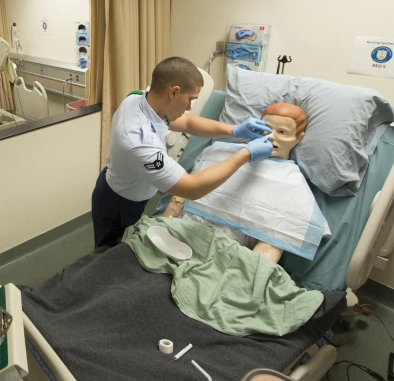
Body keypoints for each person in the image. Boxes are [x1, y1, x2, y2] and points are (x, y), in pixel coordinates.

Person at [91, 56, 273, 248]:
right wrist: (246, 153)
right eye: (190, 99)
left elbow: (186, 122)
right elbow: (193, 188)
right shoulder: (140, 141)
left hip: (128, 188)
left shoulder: (141, 99)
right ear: (174, 92)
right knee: (108, 255)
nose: (189, 107)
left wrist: (234, 130)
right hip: (120, 203)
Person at [163, 102, 312, 262]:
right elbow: (178, 202)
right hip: (179, 233)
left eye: (282, 132)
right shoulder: (219, 153)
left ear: (298, 137)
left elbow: (270, 246)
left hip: (221, 254)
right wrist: (161, 225)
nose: (270, 137)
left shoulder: (292, 183)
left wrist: (242, 278)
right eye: (266, 129)